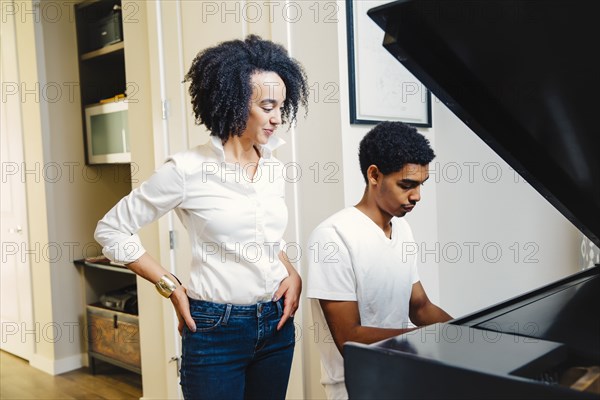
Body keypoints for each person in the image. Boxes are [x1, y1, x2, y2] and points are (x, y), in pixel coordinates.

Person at [95, 35, 309, 400]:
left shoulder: (273, 165)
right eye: (268, 106)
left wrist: (291, 271)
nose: (278, 118)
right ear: (234, 101)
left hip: (277, 326)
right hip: (214, 330)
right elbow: (111, 229)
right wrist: (171, 286)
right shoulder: (186, 170)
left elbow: (266, 237)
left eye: (282, 106)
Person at [306, 121, 452, 399]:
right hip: (356, 387)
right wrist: (423, 342)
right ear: (374, 175)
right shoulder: (332, 237)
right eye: (406, 185)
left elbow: (420, 306)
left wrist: (467, 334)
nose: (417, 196)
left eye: (421, 185)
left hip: (401, 374)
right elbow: (349, 337)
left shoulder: (402, 228)